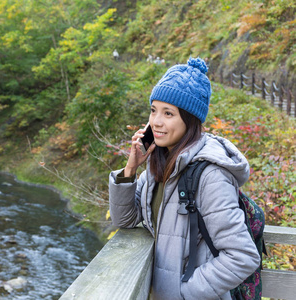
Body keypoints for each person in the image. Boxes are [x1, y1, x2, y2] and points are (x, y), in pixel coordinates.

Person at [109, 57, 260, 299]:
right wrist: (130, 168)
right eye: (153, 110)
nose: (156, 122)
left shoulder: (210, 175)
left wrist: (183, 293)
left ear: (190, 120)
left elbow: (242, 256)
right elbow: (125, 219)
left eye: (168, 113)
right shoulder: (160, 162)